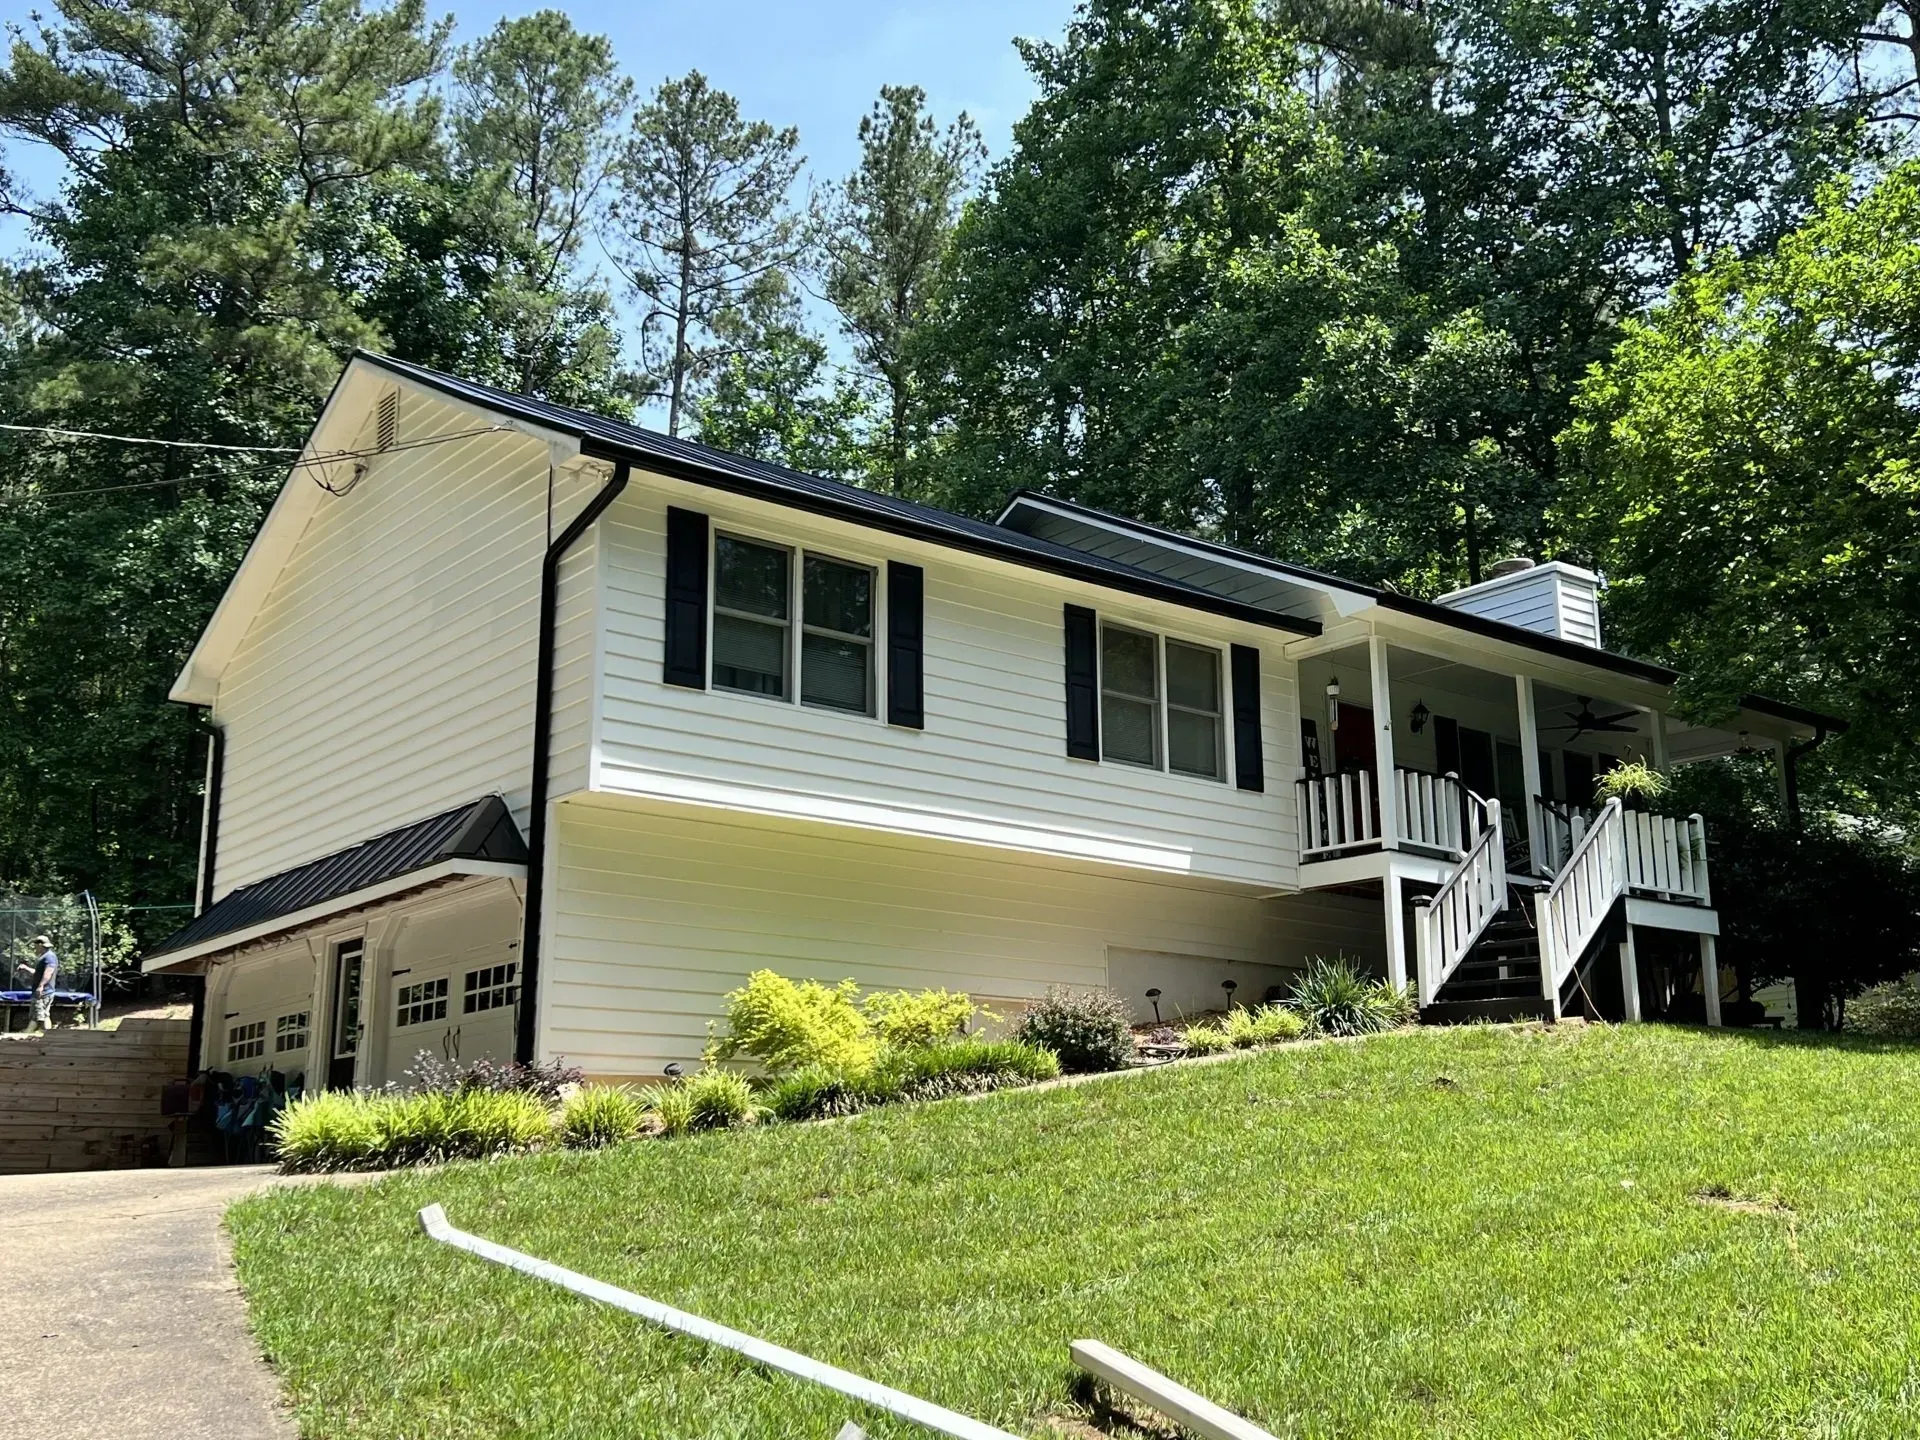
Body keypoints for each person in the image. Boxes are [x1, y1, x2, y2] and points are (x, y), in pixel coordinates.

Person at [16, 935, 57, 1032]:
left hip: (44, 992)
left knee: (42, 1015)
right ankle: (28, 1031)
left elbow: (48, 972)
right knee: (37, 1014)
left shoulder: (49, 957)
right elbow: (38, 973)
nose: (34, 947)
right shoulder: (43, 957)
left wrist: (41, 986)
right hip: (40, 991)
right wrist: (26, 968)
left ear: (40, 945)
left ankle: (47, 1034)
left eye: (35, 945)